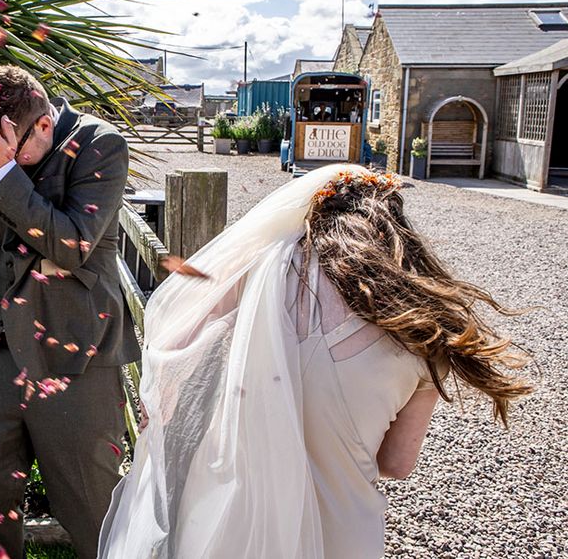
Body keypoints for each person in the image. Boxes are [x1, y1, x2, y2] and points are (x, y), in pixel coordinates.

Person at [99, 164, 532, 559]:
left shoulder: (257, 281)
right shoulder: (424, 334)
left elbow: (179, 344)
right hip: (342, 532)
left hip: (241, 523)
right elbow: (397, 464)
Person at [0, 65, 140, 559]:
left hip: (74, 358)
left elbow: (73, 244)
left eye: (9, 152)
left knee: (92, 510)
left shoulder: (100, 146)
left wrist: (0, 173)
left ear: (43, 127)